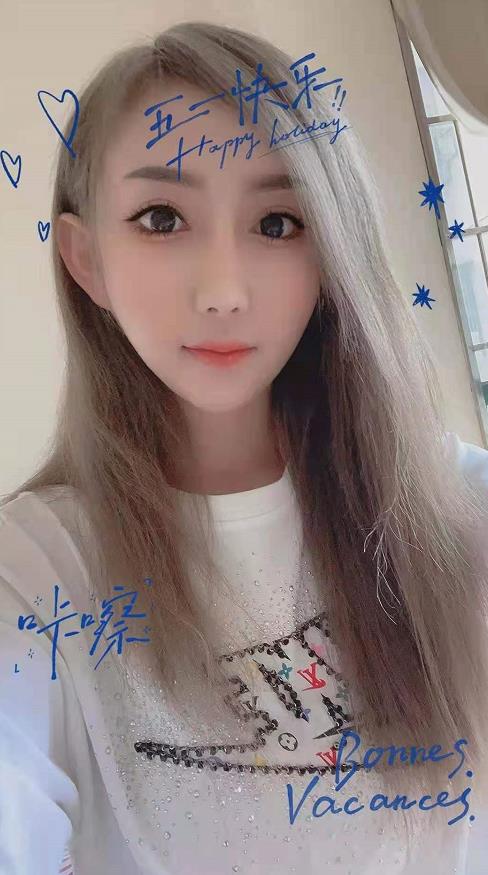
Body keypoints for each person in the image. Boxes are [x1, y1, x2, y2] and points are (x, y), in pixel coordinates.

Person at [1, 20, 488, 875]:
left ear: (331, 250)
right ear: (86, 261)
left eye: (277, 222)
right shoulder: (37, 575)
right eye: (162, 218)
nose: (224, 290)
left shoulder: (461, 510)